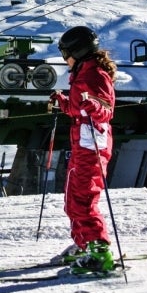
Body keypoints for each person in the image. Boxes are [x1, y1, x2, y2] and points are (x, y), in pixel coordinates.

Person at [49, 26, 117, 273]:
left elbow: (106, 110)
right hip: (82, 144)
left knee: (83, 199)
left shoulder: (96, 75)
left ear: (77, 51)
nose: (64, 59)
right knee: (71, 200)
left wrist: (92, 105)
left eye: (65, 53)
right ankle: (84, 244)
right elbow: (80, 109)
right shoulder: (83, 72)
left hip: (94, 147)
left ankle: (99, 252)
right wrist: (64, 103)